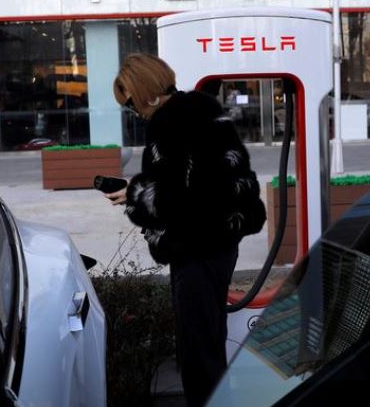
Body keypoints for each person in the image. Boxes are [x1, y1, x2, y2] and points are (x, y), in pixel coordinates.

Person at [103, 54, 265, 406]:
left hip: (197, 246)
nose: (133, 111)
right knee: (209, 339)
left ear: (145, 92)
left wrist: (134, 194)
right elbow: (203, 180)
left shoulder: (169, 122)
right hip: (220, 242)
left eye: (130, 103)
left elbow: (176, 199)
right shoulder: (202, 108)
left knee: (197, 350)